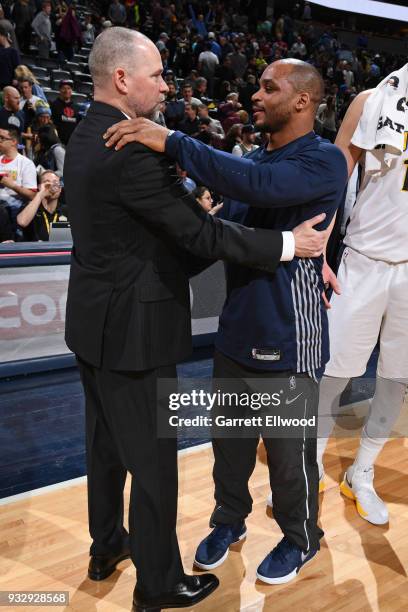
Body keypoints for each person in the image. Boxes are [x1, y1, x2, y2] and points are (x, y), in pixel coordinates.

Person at [65, 29, 328, 611]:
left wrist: (197, 202)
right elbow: (203, 231)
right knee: (154, 465)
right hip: (138, 329)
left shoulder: (87, 133)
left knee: (105, 449)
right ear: (122, 79)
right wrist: (288, 244)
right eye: (157, 74)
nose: (166, 83)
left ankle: (107, 544)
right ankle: (157, 584)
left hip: (92, 322)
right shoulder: (131, 147)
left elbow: (220, 208)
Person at [316, 70, 408, 526]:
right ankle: (309, 461)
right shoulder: (372, 100)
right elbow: (332, 179)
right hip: (365, 258)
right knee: (334, 370)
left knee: (397, 379)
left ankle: (362, 470)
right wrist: (319, 252)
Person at [0, 126, 37, 232]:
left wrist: (12, 185)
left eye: (2, 138)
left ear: (13, 141)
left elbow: (32, 195)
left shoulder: (26, 163)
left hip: (13, 210)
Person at [17, 169, 65, 240]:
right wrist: (40, 194)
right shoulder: (30, 208)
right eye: (47, 182)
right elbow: (22, 222)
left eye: (55, 182)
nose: (51, 185)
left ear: (60, 188)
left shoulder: (67, 211)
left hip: (61, 250)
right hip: (35, 250)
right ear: (39, 187)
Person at [50, 80, 81, 145]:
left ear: (71, 91)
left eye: (68, 88)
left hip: (73, 143)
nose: (66, 91)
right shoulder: (53, 105)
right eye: (64, 88)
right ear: (60, 90)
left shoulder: (77, 107)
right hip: (57, 142)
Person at [0, 24, 21, 89]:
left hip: (8, 83)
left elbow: (17, 67)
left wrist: (15, 78)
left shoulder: (13, 51)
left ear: (3, 36)